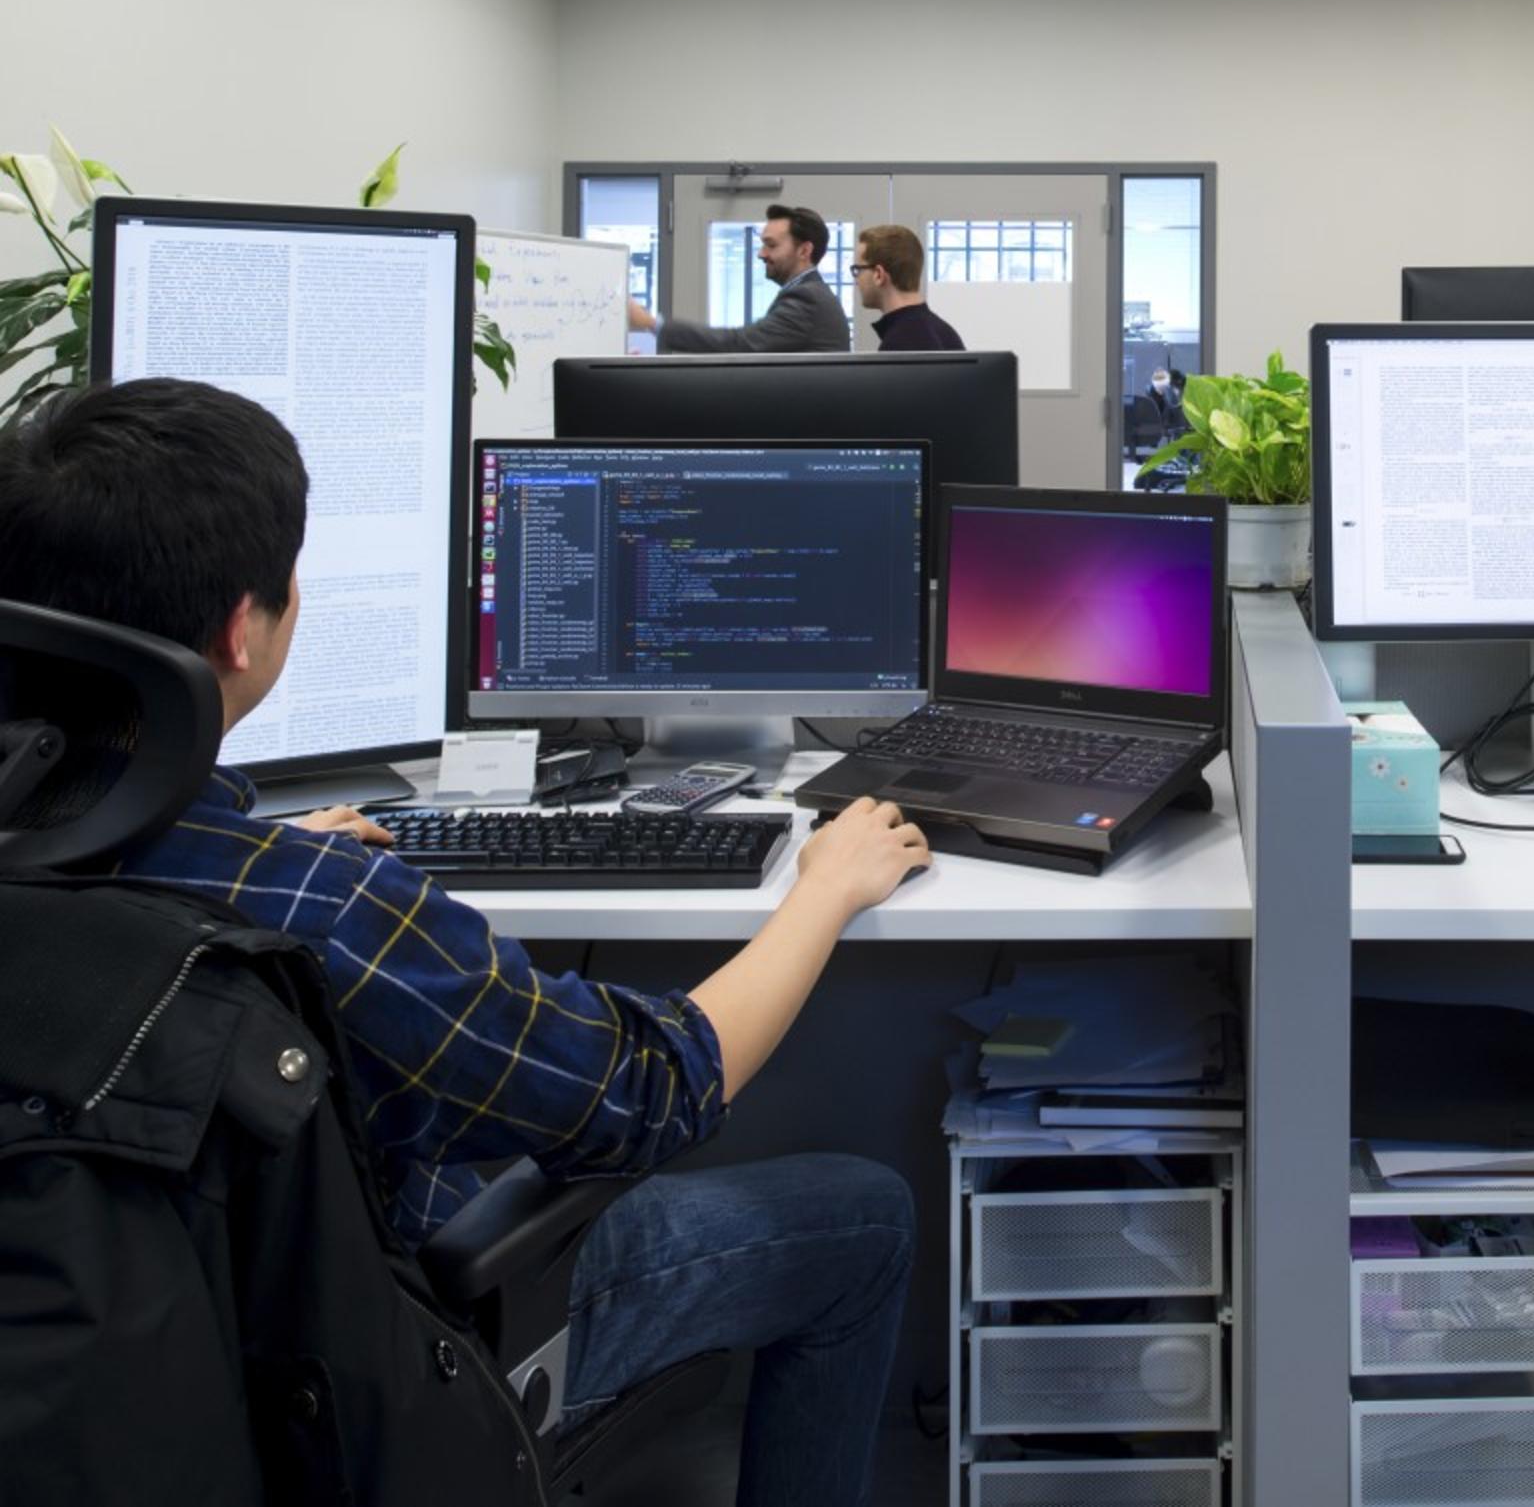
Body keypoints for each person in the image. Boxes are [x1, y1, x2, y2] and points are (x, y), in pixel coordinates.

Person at [0, 378, 924, 1507]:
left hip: (123, 1383)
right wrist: (822, 890)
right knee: (862, 1211)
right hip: (377, 1363)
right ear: (244, 628)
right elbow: (652, 1085)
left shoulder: (231, 867)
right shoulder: (324, 903)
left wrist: (257, 842)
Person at [629, 202, 850, 353]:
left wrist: (651, 323)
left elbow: (741, 344)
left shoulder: (806, 298)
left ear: (804, 251)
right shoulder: (810, 292)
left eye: (771, 245)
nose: (761, 253)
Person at [852, 223, 964, 352]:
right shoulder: (946, 333)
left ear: (879, 275)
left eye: (857, 270)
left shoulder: (899, 344)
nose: (856, 279)